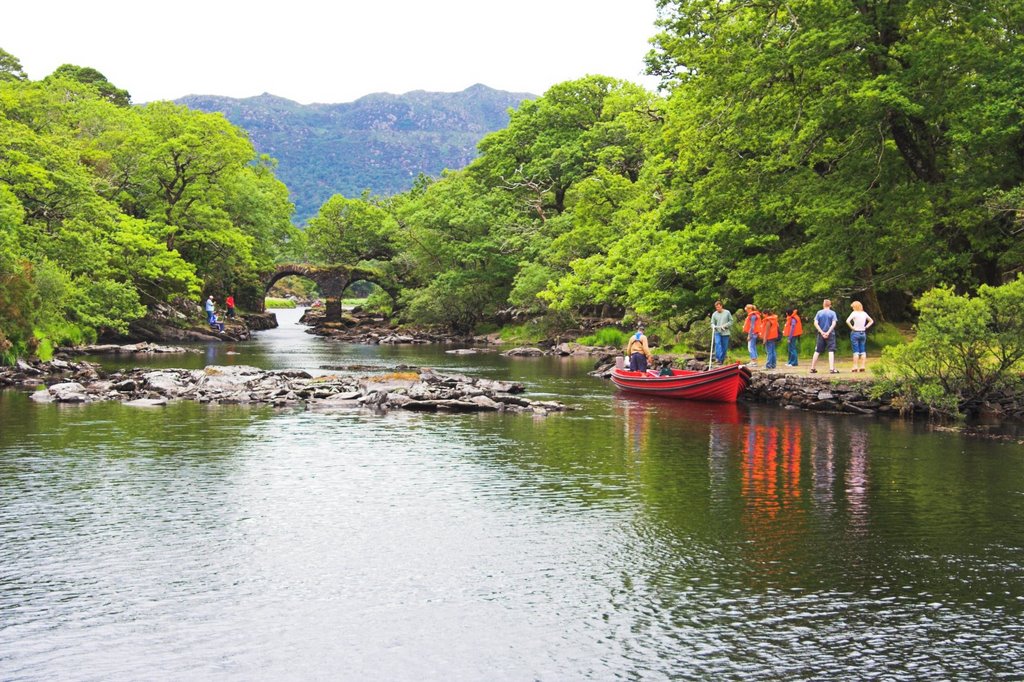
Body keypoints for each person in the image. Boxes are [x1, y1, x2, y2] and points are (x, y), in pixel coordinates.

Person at [809, 299, 839, 374]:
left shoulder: (819, 312)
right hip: (830, 334)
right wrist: (828, 332)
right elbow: (834, 323)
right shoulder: (833, 313)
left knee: (817, 350)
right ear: (830, 305)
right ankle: (831, 369)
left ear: (823, 305)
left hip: (820, 334)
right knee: (831, 350)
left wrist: (822, 332)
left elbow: (815, 323)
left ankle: (812, 368)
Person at [846, 300, 875, 373]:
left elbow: (847, 321)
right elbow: (871, 321)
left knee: (856, 351)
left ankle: (855, 366)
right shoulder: (864, 313)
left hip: (855, 332)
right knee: (862, 350)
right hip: (863, 333)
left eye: (853, 307)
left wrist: (852, 327)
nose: (852, 308)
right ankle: (862, 366)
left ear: (855, 307)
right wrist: (866, 327)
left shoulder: (854, 313)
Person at [710, 300, 733, 365]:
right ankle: (718, 358)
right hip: (717, 332)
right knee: (717, 343)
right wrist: (713, 326)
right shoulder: (714, 314)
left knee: (724, 347)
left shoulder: (727, 312)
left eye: (719, 307)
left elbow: (731, 321)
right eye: (716, 307)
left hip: (725, 332)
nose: (717, 309)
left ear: (721, 306)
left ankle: (721, 360)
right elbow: (712, 323)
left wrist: (725, 326)